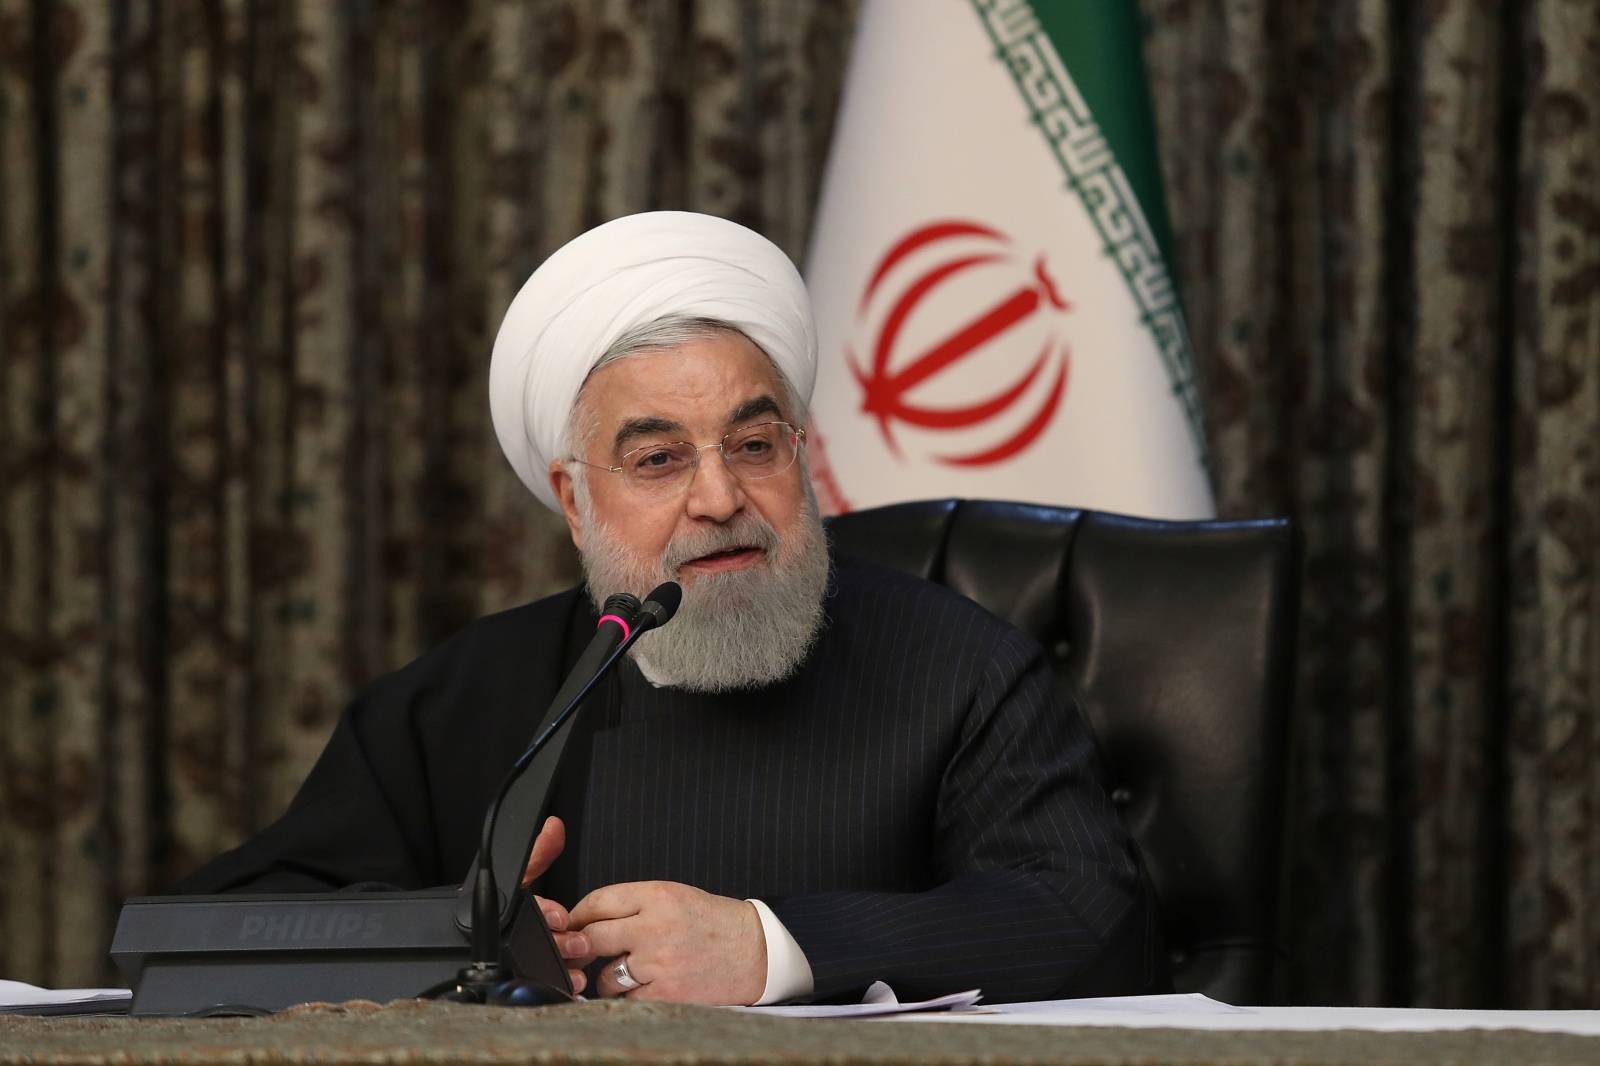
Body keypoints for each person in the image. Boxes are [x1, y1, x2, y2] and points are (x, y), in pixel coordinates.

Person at [177, 211, 1169, 1006]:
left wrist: (774, 947)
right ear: (574, 500)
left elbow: (1087, 913)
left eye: (753, 443)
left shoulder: (961, 669)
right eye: (657, 459)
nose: (720, 498)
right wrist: (466, 936)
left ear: (800, 453)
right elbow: (215, 932)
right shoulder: (465, 696)